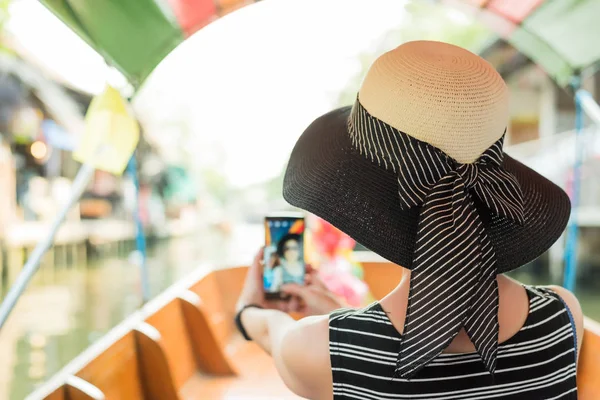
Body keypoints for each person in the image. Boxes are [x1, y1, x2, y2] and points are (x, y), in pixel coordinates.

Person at [235, 40, 583, 399]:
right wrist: (342, 313)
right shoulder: (563, 315)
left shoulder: (320, 351)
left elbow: (274, 333)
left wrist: (246, 310)